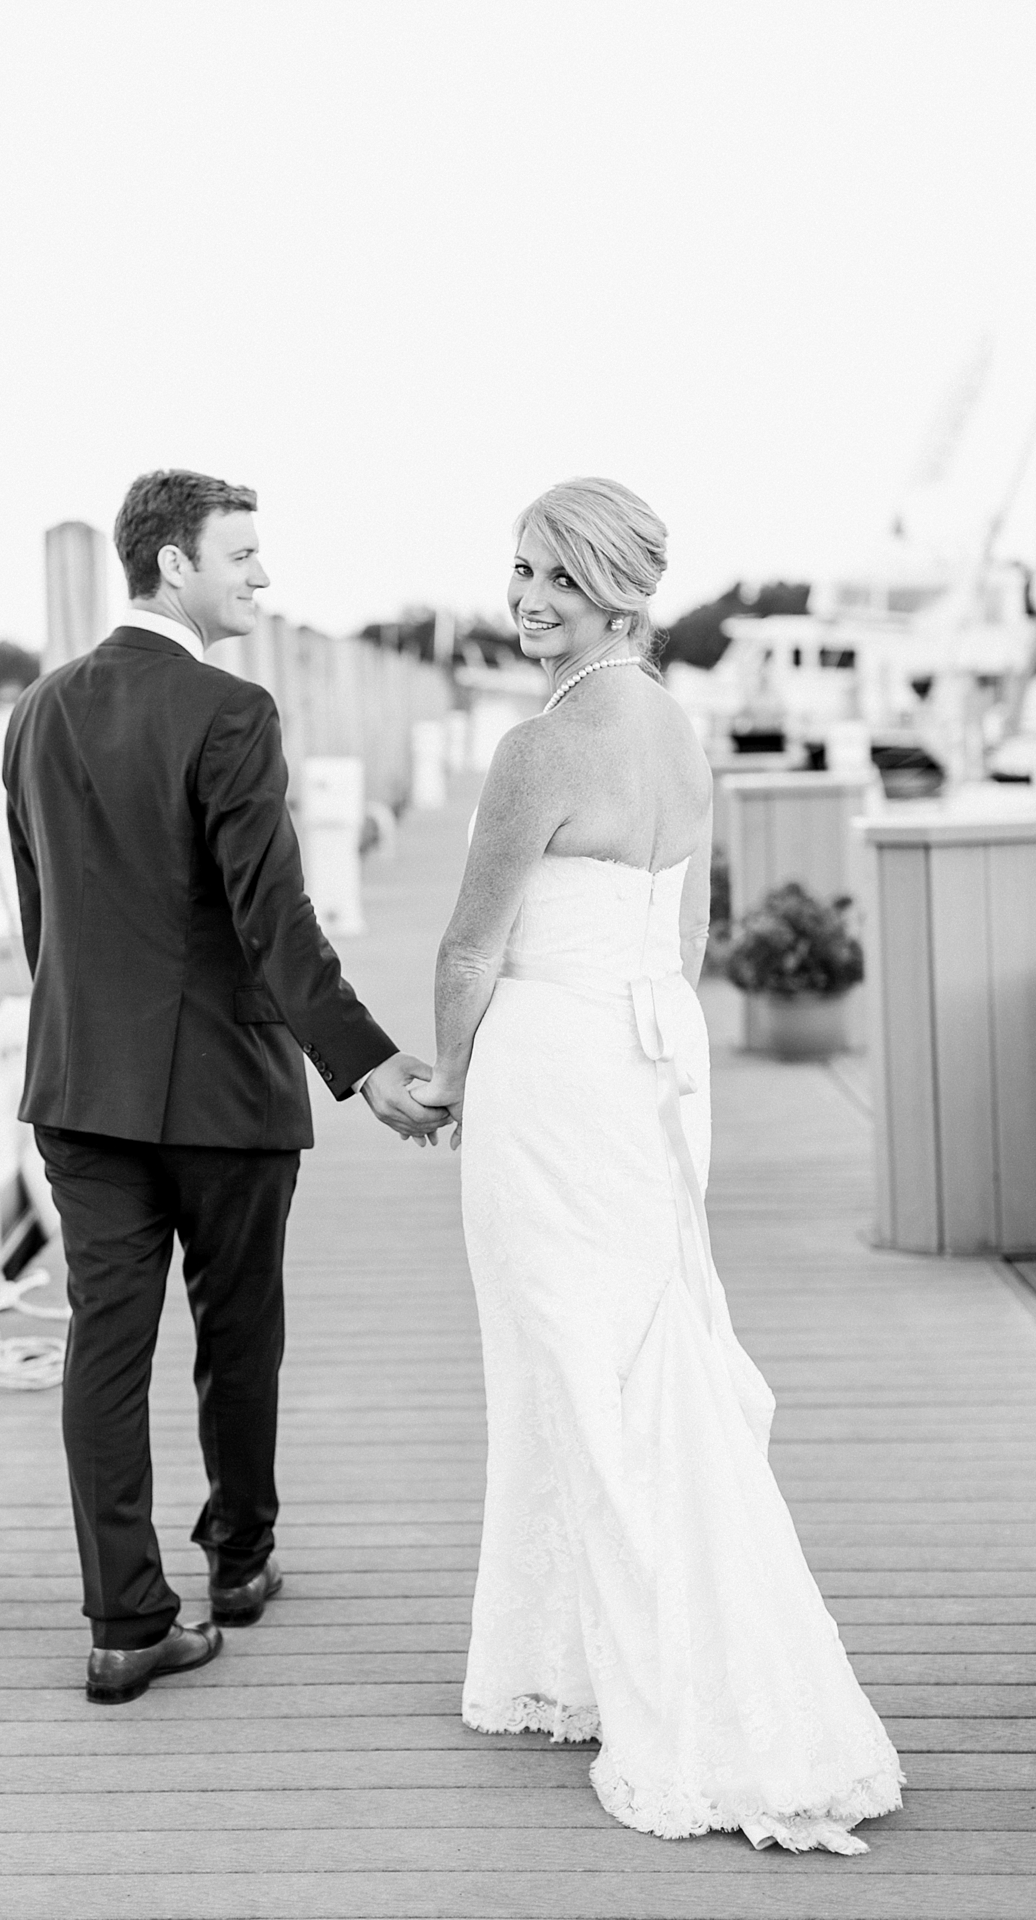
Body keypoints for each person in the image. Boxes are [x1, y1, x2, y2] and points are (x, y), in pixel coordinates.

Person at [411, 477, 903, 1852]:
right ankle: (571, 1659)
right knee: (633, 1353)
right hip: (645, 1071)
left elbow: (468, 947)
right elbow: (682, 946)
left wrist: (446, 1079)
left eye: (560, 576)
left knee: (562, 1363)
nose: (529, 598)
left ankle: (643, 1683)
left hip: (551, 1071)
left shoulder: (538, 749)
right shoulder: (681, 737)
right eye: (521, 570)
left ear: (620, 589)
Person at [4, 468, 446, 1706]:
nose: (261, 575)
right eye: (241, 553)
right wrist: (365, 1064)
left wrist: (83, 1038)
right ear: (172, 564)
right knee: (238, 1334)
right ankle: (238, 1562)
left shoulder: (34, 710)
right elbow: (274, 917)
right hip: (220, 1091)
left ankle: (124, 1624)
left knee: (104, 1349)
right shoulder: (231, 710)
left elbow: (43, 917)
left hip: (80, 1085)